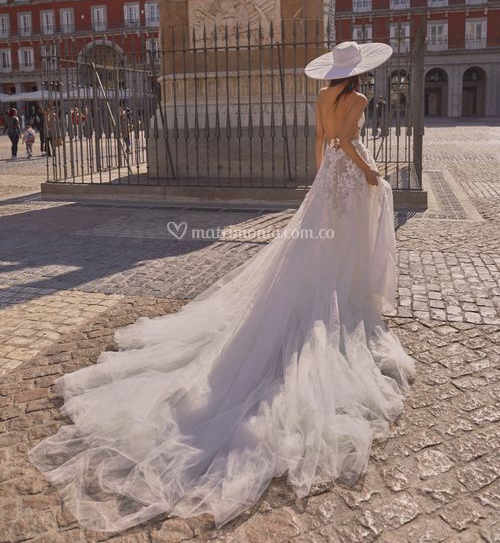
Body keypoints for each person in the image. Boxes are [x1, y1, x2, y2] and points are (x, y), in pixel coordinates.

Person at [28, 41, 416, 533]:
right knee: (338, 253)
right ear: (360, 71)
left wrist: (322, 177)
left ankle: (320, 301)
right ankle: (335, 308)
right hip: (348, 178)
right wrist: (370, 174)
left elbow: (321, 142)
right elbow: (354, 145)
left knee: (312, 253)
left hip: (325, 183)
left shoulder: (320, 98)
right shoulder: (357, 100)